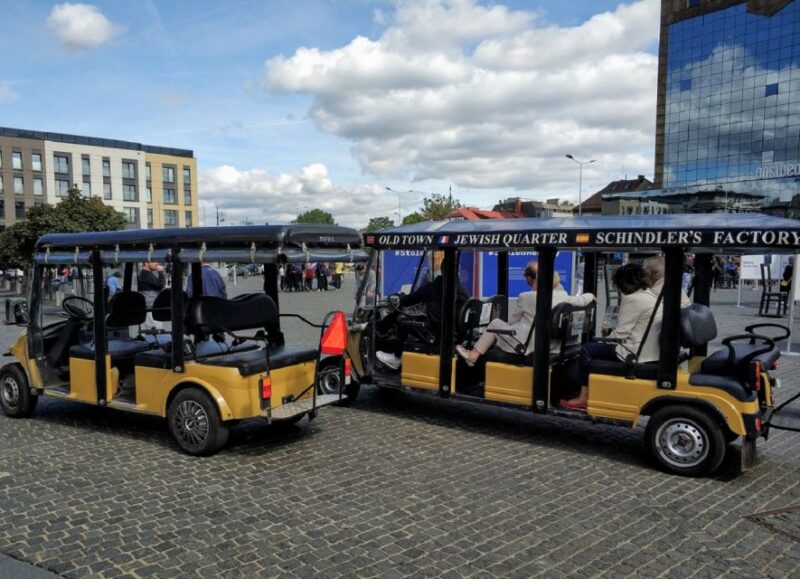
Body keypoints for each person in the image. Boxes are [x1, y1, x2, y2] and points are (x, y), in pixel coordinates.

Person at [561, 262, 662, 410]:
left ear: (624, 283)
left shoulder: (633, 299)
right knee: (595, 345)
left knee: (587, 348)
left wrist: (604, 338)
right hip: (650, 349)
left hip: (634, 351)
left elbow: (621, 333)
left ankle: (583, 397)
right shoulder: (650, 295)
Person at [456, 270, 595, 366]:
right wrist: (592, 296)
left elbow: (511, 321)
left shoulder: (527, 297)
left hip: (527, 346)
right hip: (553, 346)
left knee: (495, 323)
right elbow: (583, 299)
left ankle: (473, 355)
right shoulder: (565, 296)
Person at [376, 253, 469, 370]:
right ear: (458, 271)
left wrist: (402, 297)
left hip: (435, 331)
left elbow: (408, 300)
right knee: (419, 319)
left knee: (402, 323)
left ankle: (396, 357)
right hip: (454, 334)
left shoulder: (431, 287)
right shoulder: (463, 291)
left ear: (442, 269)